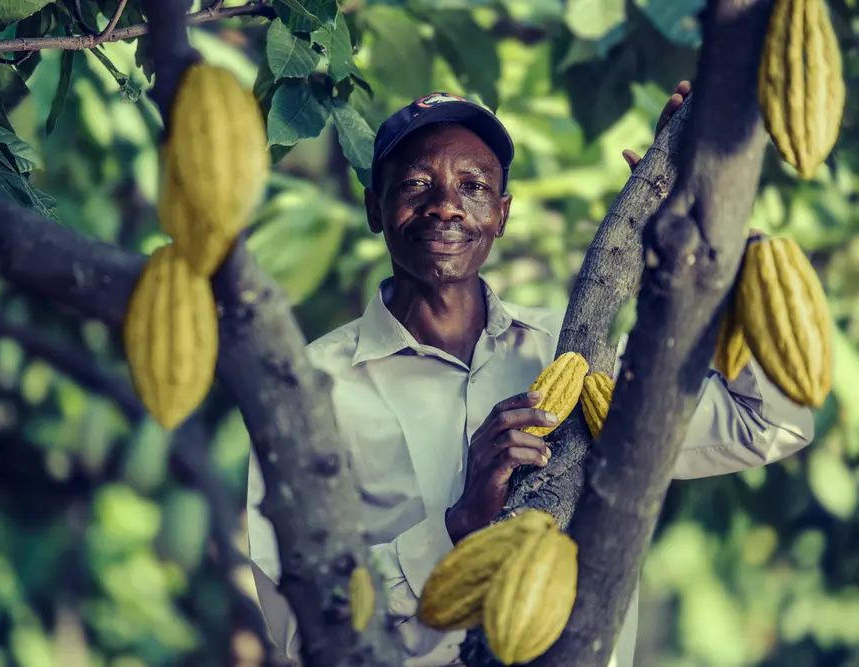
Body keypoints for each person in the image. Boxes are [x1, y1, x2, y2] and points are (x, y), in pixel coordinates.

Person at [244, 83, 815, 667]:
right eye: (417, 184)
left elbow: (772, 422)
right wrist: (456, 526)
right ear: (374, 207)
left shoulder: (574, 356)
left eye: (474, 187)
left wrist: (721, 250)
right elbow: (299, 623)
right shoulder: (308, 388)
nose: (446, 205)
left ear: (501, 215)